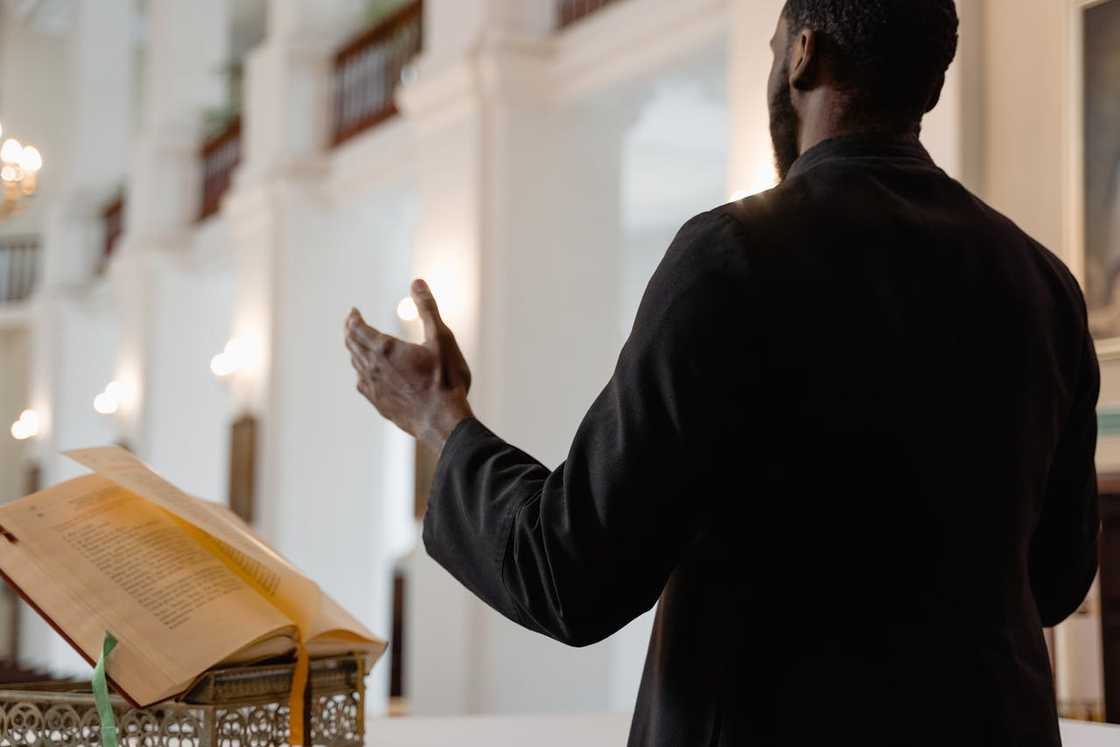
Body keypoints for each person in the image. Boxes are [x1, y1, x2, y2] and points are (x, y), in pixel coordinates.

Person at [344, 1, 1100, 743]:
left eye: (775, 49)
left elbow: (571, 571)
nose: (774, 65)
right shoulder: (1043, 284)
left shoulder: (735, 258)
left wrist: (437, 417)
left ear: (804, 55)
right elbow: (1058, 579)